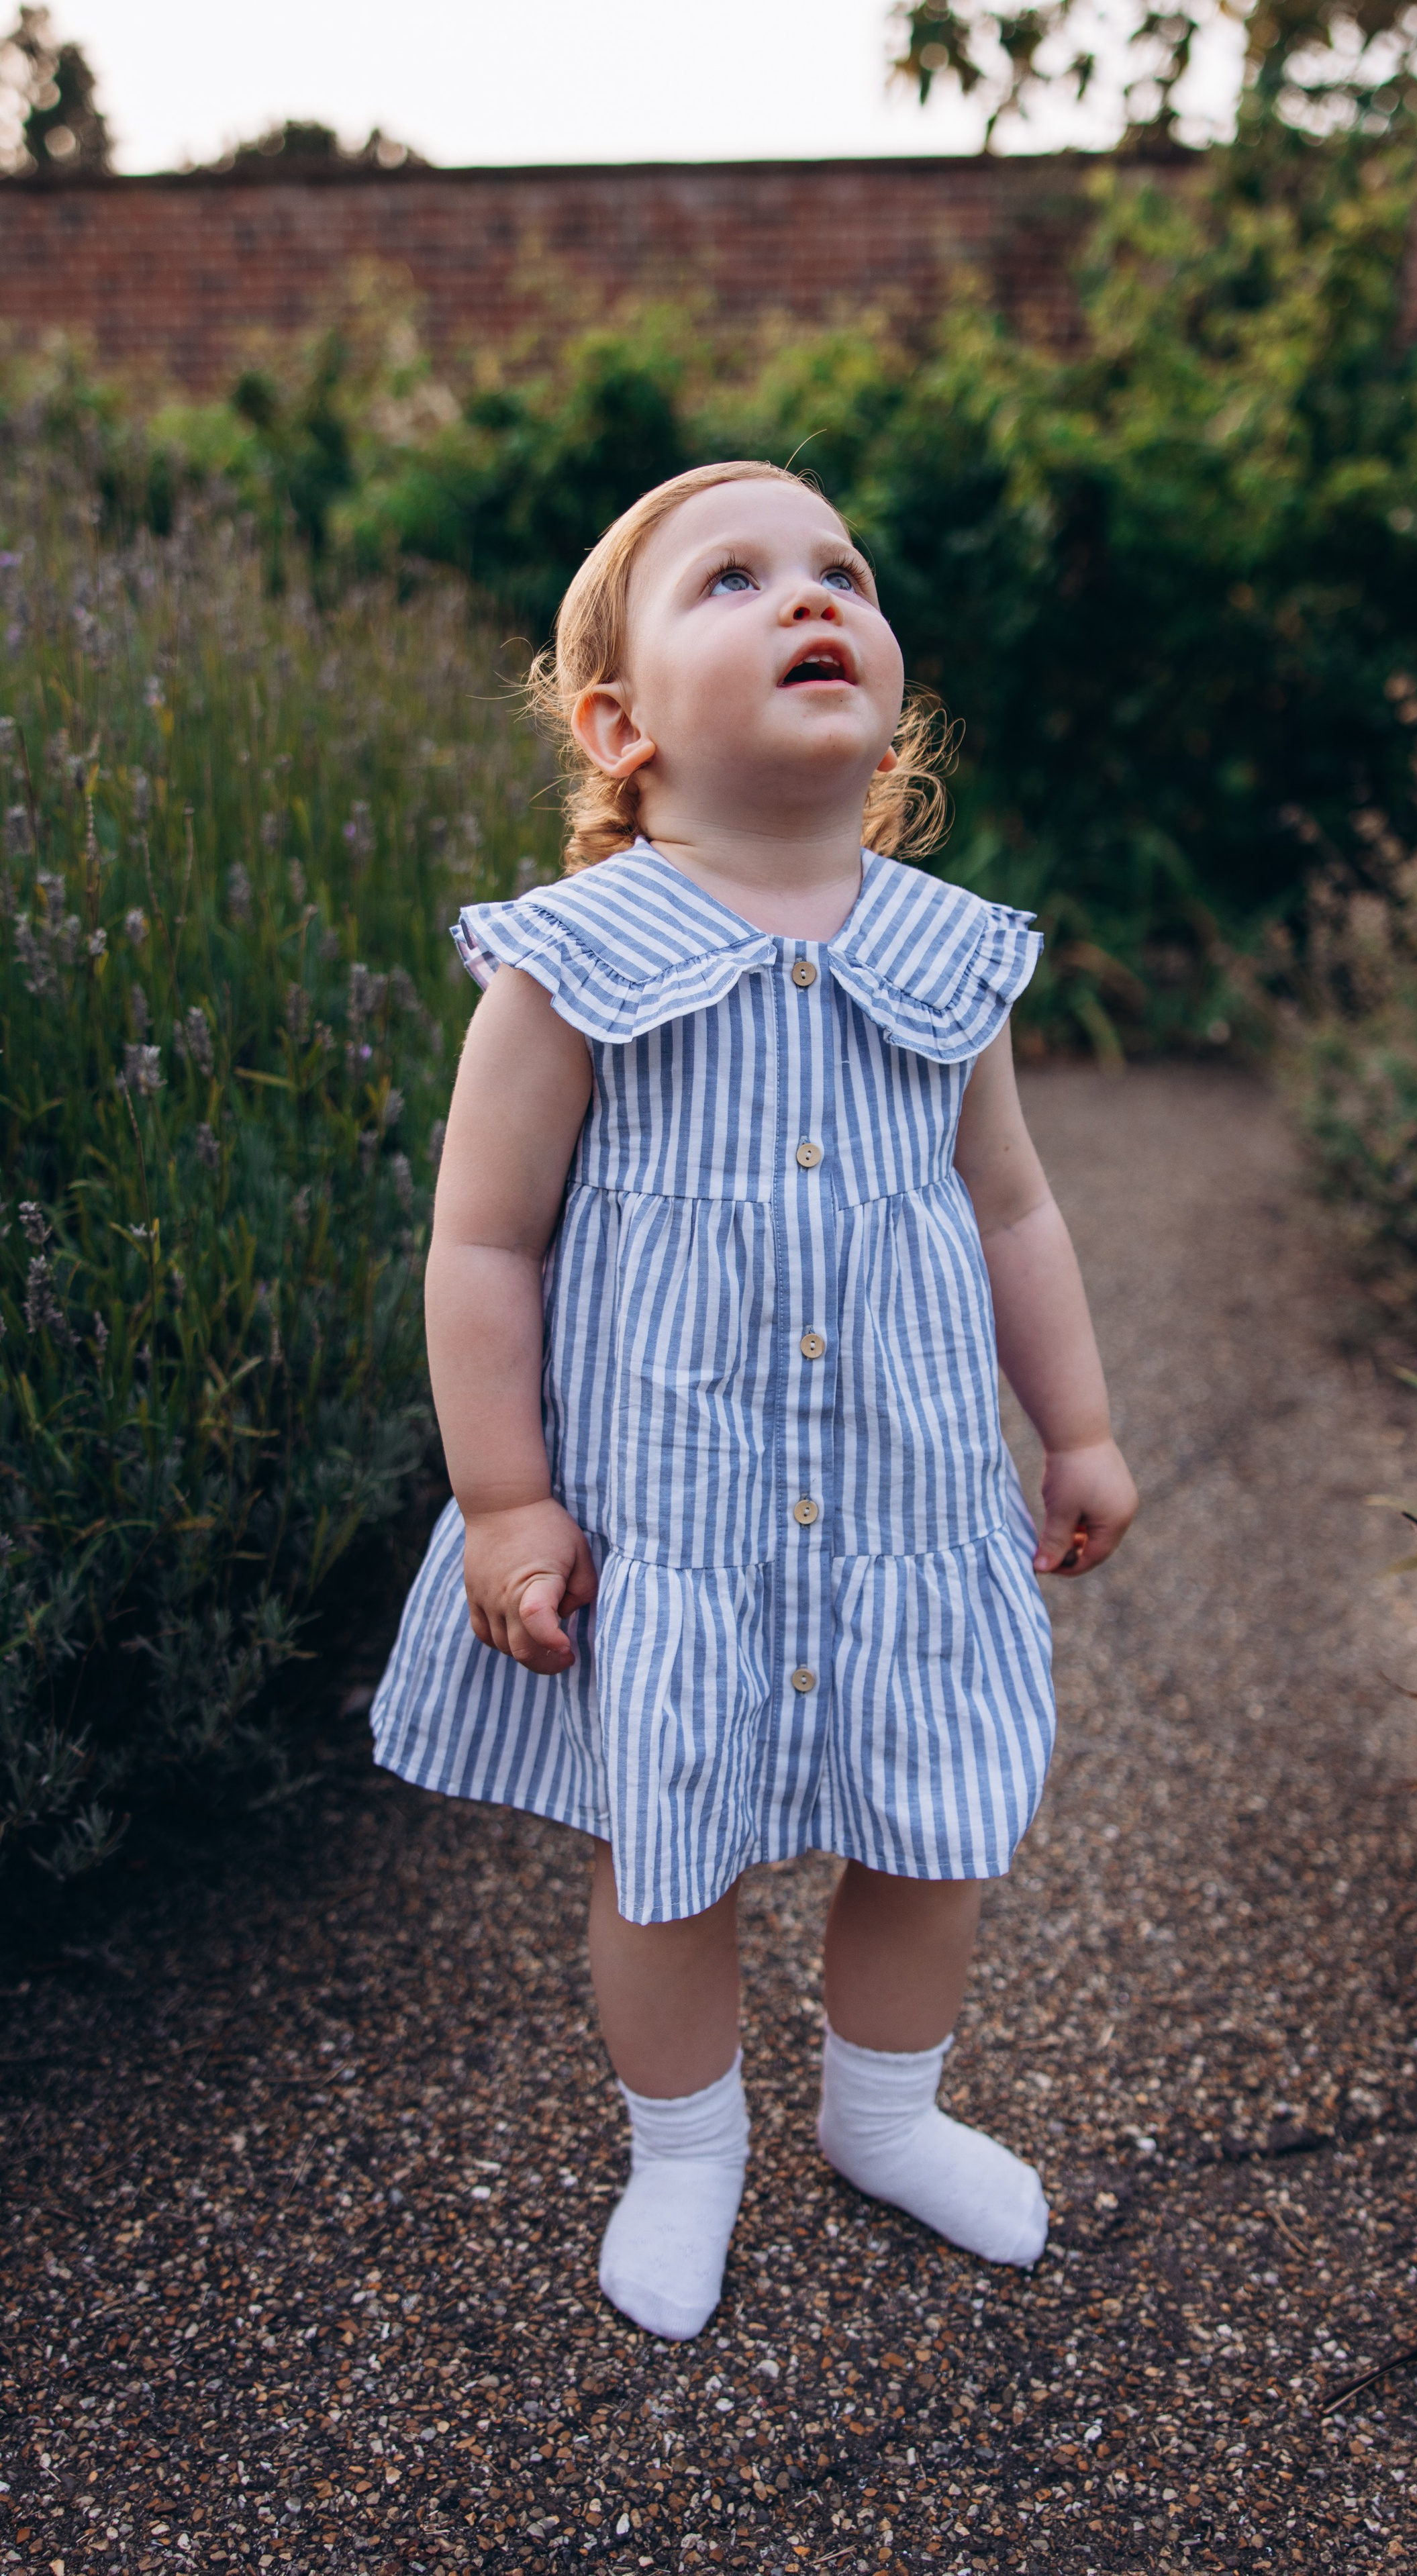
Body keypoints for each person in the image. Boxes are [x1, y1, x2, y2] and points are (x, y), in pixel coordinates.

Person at [371, 459, 1137, 2342]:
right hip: (677, 1526)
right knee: (668, 1854)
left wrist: (1080, 1427)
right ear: (618, 727)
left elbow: (1013, 1208)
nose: (813, 598)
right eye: (734, 578)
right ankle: (686, 2149)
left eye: (842, 573)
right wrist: (506, 1499)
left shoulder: (946, 954)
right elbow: (484, 1246)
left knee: (930, 1830)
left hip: (905, 1511)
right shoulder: (570, 968)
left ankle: (886, 2113)